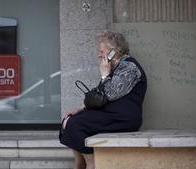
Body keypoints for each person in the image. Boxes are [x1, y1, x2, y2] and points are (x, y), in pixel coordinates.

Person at [59, 31, 147, 169]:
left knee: (74, 124)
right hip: (111, 114)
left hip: (124, 118)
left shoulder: (129, 67)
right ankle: (80, 164)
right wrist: (80, 108)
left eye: (101, 51)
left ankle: (91, 162)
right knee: (68, 120)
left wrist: (105, 75)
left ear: (113, 51)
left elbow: (110, 93)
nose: (99, 55)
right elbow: (99, 97)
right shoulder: (115, 67)